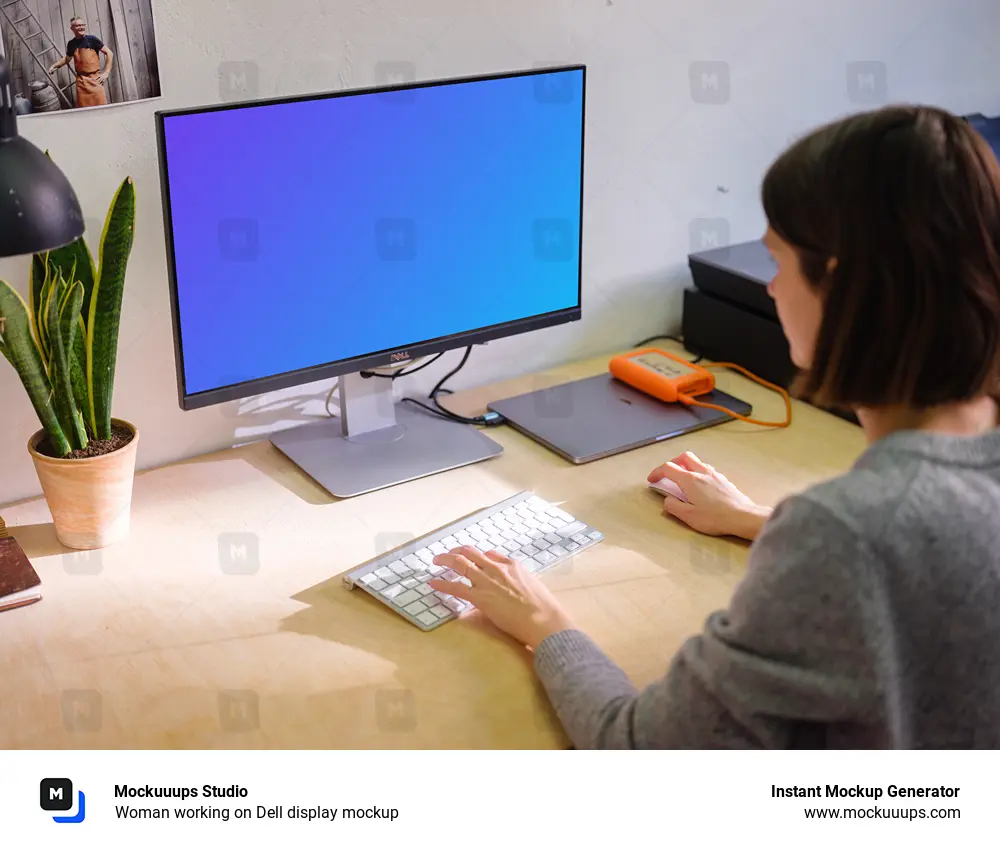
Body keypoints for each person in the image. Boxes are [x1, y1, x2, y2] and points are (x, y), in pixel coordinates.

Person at [430, 104, 1000, 748]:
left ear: (842, 288)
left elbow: (639, 750)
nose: (772, 288)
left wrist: (543, 620)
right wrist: (762, 521)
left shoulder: (847, 534)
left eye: (778, 263)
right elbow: (933, 555)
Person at [48, 16, 114, 108]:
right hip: (81, 82)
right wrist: (54, 66)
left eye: (83, 25)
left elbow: (109, 53)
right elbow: (67, 59)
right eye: (78, 25)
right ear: (72, 28)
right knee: (84, 112)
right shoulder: (71, 44)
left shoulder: (92, 39)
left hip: (95, 80)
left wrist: (106, 72)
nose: (81, 27)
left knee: (101, 110)